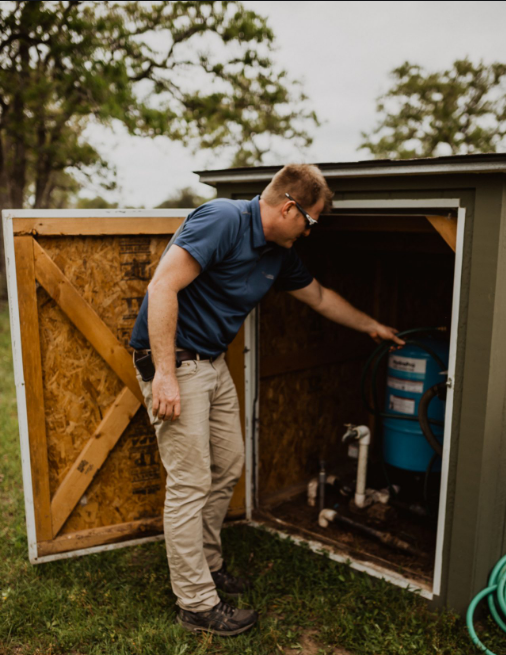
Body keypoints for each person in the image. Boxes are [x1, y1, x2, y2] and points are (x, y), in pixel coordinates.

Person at [129, 163, 405, 636]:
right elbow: (162, 287)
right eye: (311, 221)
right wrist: (166, 378)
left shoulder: (279, 252)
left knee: (228, 464)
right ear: (289, 207)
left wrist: (371, 326)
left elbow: (318, 296)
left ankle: (208, 566)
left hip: (211, 363)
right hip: (177, 362)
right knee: (190, 482)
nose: (311, 231)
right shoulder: (223, 219)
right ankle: (195, 602)